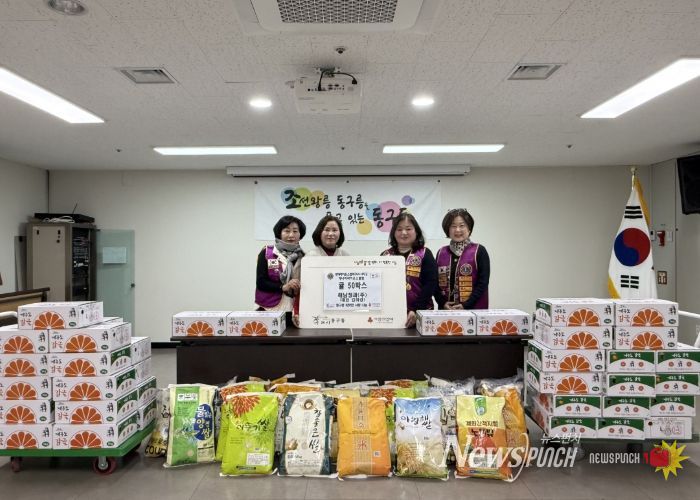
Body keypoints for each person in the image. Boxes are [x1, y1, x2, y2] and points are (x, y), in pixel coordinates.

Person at [381, 212, 438, 328]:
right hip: (392, 315)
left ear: (416, 231)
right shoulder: (385, 255)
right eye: (399, 229)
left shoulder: (425, 253)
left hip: (421, 314)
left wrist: (416, 310)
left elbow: (430, 284)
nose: (404, 233)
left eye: (408, 229)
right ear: (393, 233)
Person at [255, 215, 306, 325]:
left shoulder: (304, 257)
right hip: (269, 309)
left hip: (295, 312)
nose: (291, 235)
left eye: (295, 231)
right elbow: (261, 282)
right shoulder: (267, 253)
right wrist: (283, 287)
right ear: (279, 233)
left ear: (300, 234)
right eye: (287, 231)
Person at [435, 208, 489, 310]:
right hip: (446, 311)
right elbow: (434, 283)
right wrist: (442, 303)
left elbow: (483, 283)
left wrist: (466, 305)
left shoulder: (479, 250)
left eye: (462, 225)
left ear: (469, 228)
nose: (457, 230)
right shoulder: (441, 252)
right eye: (453, 226)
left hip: (473, 310)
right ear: (447, 230)